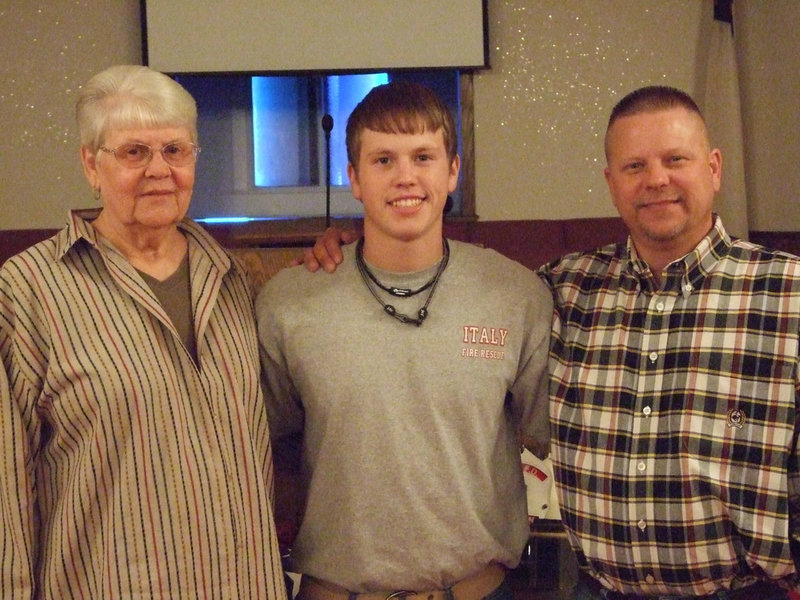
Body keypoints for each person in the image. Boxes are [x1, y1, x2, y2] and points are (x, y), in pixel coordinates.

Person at [303, 85, 800, 599]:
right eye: (634, 167)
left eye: (676, 159)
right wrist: (345, 249)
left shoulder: (789, 295)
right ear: (612, 183)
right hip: (600, 589)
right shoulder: (562, 289)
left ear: (714, 168)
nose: (656, 180)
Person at [255, 81, 553, 600]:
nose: (405, 177)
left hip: (480, 590)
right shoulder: (289, 302)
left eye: (423, 156)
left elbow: (556, 438)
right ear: (353, 178)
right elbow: (264, 451)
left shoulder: (516, 295)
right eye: (383, 160)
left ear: (453, 170)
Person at [0, 65, 287, 599]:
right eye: (134, 152)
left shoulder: (233, 279)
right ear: (91, 163)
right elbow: (6, 493)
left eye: (175, 151)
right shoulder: (26, 291)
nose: (160, 170)